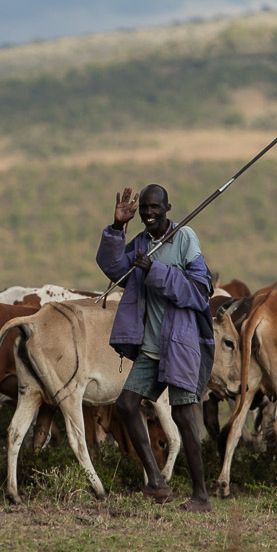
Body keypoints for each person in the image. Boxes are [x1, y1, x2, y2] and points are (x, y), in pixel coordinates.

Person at [95, 184, 214, 512]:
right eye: (143, 208)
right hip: (150, 347)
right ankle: (157, 483)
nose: (148, 213)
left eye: (154, 207)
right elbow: (115, 270)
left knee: (183, 416)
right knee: (127, 404)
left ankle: (201, 496)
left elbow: (200, 290)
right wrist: (118, 228)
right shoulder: (142, 244)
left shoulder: (185, 238)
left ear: (168, 207)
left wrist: (157, 271)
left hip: (180, 343)